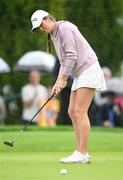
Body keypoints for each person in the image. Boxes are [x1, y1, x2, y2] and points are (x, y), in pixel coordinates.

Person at [31, 10, 107, 164]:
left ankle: (82, 153)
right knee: (72, 111)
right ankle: (80, 151)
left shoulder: (64, 28)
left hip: (88, 69)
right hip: (80, 73)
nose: (41, 28)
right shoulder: (54, 35)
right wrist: (57, 82)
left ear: (48, 18)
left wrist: (64, 79)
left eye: (41, 24)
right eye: (38, 27)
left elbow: (72, 56)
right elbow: (63, 61)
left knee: (80, 111)